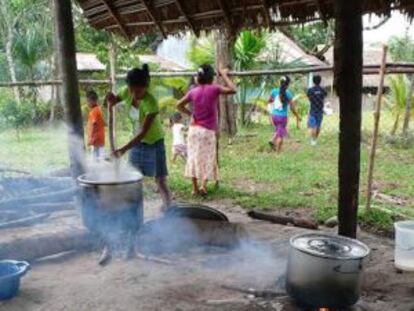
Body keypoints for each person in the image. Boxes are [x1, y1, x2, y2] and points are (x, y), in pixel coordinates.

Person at [105, 64, 173, 208]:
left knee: (160, 180)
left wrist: (122, 150)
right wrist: (110, 100)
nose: (134, 93)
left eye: (138, 90)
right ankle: (133, 210)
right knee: (133, 179)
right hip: (137, 144)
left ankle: (169, 207)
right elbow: (113, 101)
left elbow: (143, 133)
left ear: (145, 87)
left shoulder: (151, 102)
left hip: (154, 142)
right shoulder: (126, 92)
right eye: (132, 89)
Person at [176, 65, 237, 196]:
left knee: (193, 157)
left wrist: (190, 113)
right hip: (207, 131)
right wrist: (224, 74)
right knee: (207, 158)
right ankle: (203, 186)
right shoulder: (214, 89)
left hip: (193, 130)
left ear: (198, 78)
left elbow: (178, 105)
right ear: (211, 78)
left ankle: (194, 188)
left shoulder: (193, 91)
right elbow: (233, 90)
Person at [268, 76, 301, 153]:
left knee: (279, 129)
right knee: (280, 135)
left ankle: (273, 141)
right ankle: (278, 152)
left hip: (274, 116)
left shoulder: (274, 91)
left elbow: (269, 100)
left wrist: (274, 100)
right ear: (288, 84)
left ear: (280, 82)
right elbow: (292, 108)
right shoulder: (288, 94)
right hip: (283, 117)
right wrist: (297, 115)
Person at [307, 75, 327, 146]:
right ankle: (315, 139)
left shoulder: (310, 90)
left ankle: (313, 140)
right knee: (318, 126)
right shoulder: (323, 90)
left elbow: (309, 98)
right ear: (320, 81)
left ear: (313, 81)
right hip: (320, 110)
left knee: (314, 126)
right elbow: (324, 97)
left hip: (313, 110)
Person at [86, 90, 105, 161]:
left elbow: (94, 124)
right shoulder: (98, 109)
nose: (87, 103)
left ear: (92, 101)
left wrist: (92, 138)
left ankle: (96, 169)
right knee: (99, 155)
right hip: (100, 137)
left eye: (88, 101)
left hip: (95, 138)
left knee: (94, 157)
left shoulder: (94, 111)